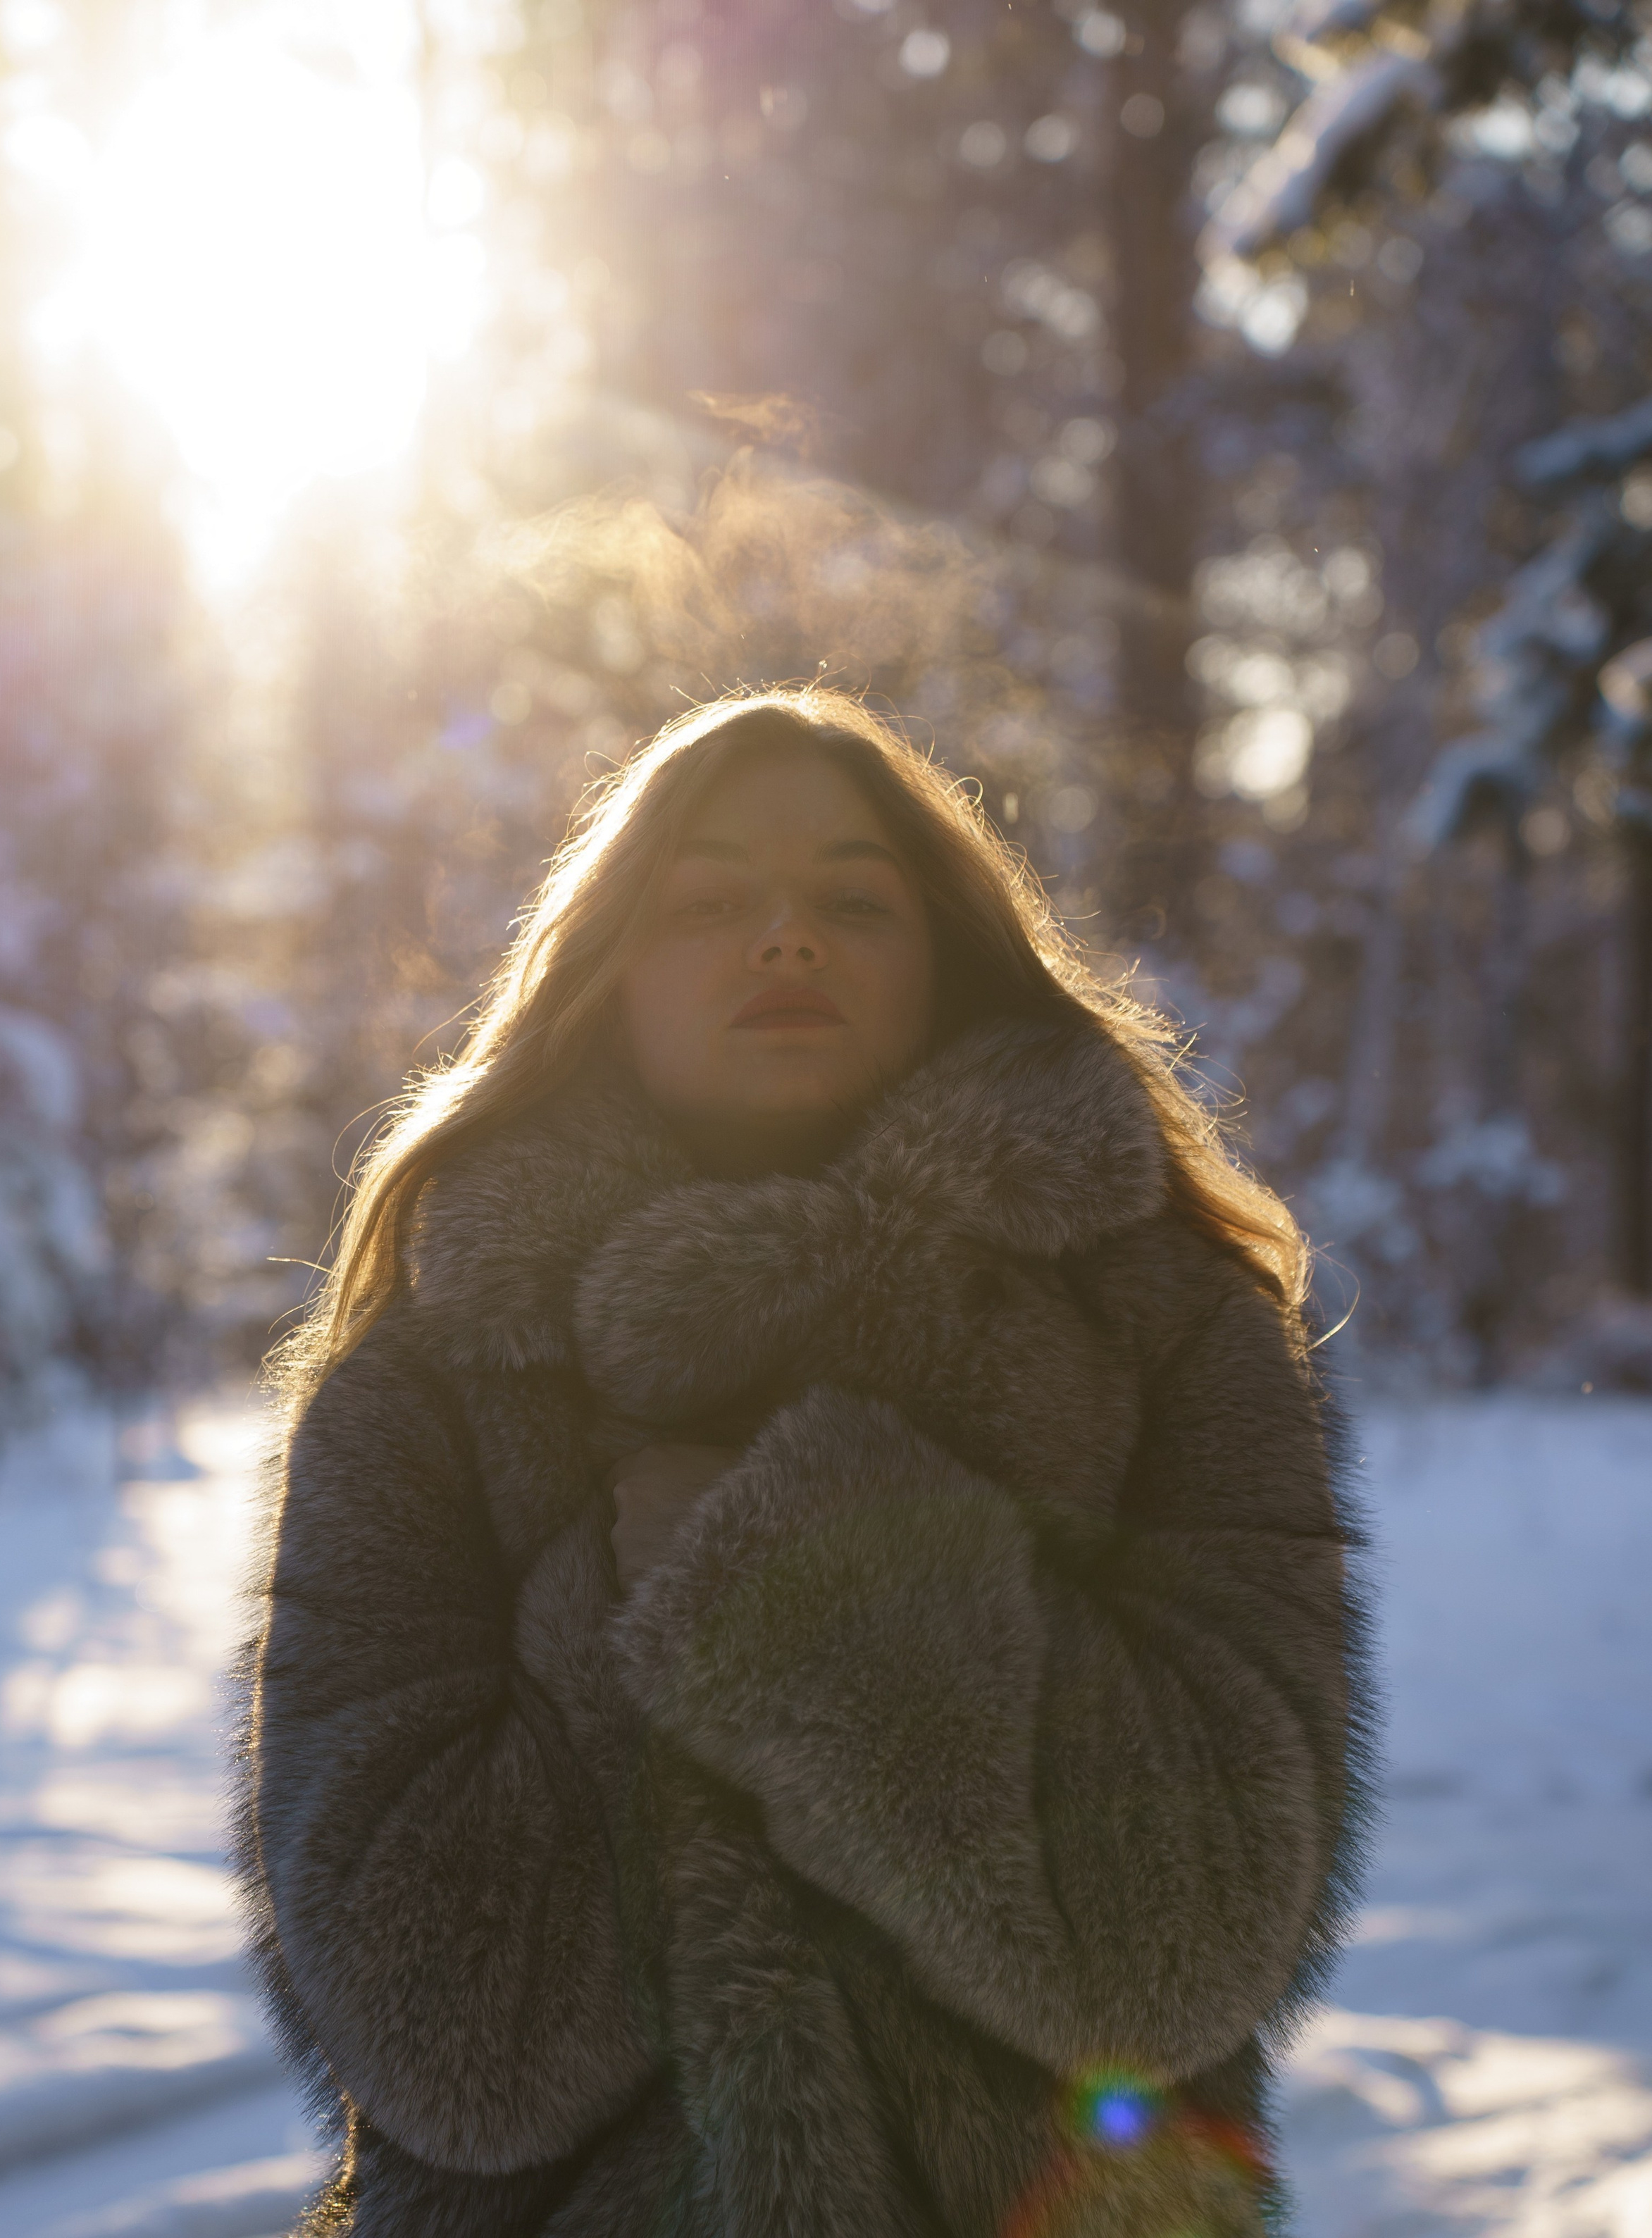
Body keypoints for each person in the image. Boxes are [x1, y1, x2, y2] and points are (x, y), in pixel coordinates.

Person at [237, 688, 1367, 2238]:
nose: (785, 938)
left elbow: (1182, 1938)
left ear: (944, 958)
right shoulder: (433, 1368)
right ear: (614, 964)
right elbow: (448, 2036)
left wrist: (814, 1580)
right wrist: (634, 1619)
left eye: (852, 897)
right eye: (711, 900)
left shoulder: (1165, 1325)